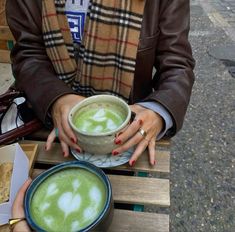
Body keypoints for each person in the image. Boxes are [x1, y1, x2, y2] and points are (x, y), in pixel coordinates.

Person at [6, 0, 195, 166]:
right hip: (48, 126)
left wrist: (158, 112)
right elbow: (28, 54)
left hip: (127, 135)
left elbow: (177, 63)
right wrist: (56, 99)